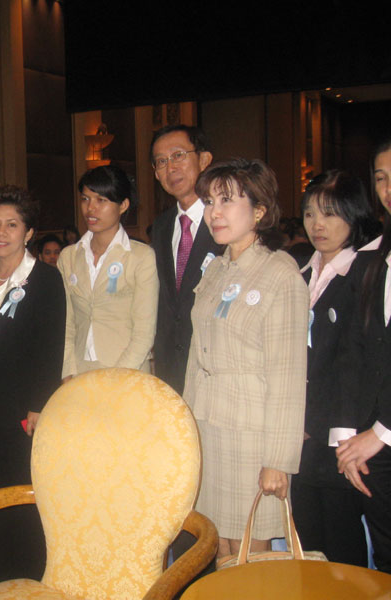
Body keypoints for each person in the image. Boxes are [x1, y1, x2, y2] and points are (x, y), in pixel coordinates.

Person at [184, 158, 308, 560]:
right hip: (208, 430)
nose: (214, 212)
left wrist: (278, 461)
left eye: (227, 201)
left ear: (259, 211)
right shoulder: (216, 269)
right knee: (216, 545)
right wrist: (185, 430)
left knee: (248, 555)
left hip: (251, 437)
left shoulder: (279, 274)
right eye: (209, 201)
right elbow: (195, 358)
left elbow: (288, 377)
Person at [0, 186, 65, 582]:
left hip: (25, 408)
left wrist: (39, 404)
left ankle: (35, 577)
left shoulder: (44, 279)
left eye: (11, 225)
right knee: (1, 494)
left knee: (28, 494)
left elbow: (50, 347)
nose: (0, 232)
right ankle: (9, 576)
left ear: (28, 232)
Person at [288, 170, 375, 566]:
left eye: (329, 214)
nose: (317, 225)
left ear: (354, 215)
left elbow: (355, 365)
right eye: (309, 213)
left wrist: (334, 434)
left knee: (342, 551)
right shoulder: (299, 274)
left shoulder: (364, 274)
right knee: (308, 545)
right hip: (299, 435)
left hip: (341, 436)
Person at [334, 138, 391, 573]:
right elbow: (352, 353)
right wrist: (346, 440)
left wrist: (382, 433)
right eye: (382, 178)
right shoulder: (369, 259)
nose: (389, 188)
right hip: (374, 448)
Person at [57, 165, 158, 379]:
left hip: (127, 372)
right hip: (80, 370)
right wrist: (68, 371)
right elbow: (65, 323)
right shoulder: (68, 256)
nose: (90, 208)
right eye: (85, 199)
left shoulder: (141, 257)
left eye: (101, 200)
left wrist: (115, 379)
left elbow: (144, 332)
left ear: (123, 205)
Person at [150, 125, 220, 396]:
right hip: (170, 369)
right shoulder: (161, 226)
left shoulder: (225, 221)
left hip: (213, 366)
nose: (171, 168)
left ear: (204, 159)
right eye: (161, 162)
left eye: (178, 155)